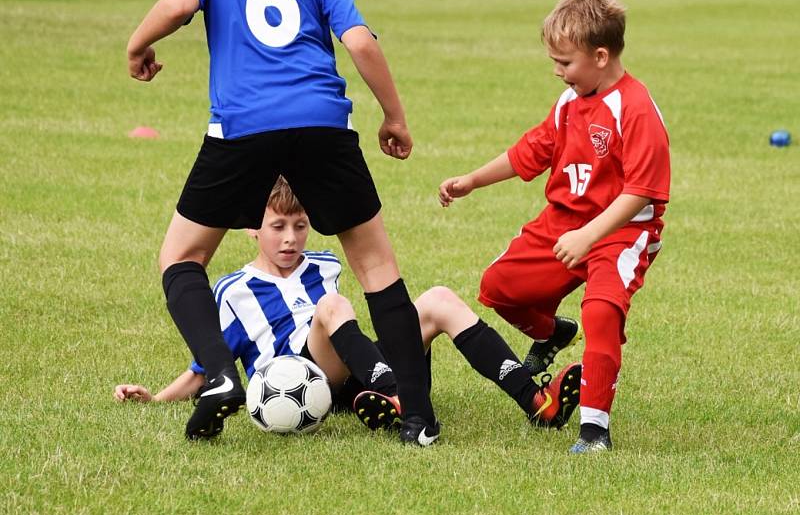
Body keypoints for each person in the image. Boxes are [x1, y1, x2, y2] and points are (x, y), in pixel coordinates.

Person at [125, 0, 438, 444]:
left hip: (241, 127)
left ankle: (219, 373)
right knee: (376, 269)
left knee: (182, 259)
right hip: (323, 122)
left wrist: (137, 44)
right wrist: (393, 117)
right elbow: (361, 42)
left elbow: (176, 6)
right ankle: (418, 419)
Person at [115, 177, 582, 435]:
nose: (291, 238)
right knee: (333, 307)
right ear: (251, 229)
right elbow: (205, 368)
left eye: (300, 225)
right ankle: (400, 395)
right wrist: (157, 398)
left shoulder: (323, 262)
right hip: (296, 377)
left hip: (356, 364)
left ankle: (536, 402)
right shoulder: (233, 290)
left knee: (438, 299)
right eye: (277, 226)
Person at [438, 0, 670, 453]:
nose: (558, 72)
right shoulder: (569, 104)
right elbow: (531, 150)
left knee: (601, 311)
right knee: (498, 287)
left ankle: (594, 428)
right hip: (564, 224)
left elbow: (642, 191)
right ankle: (552, 333)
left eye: (565, 63)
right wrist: (473, 180)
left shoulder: (636, 108)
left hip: (620, 233)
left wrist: (590, 235)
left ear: (600, 56)